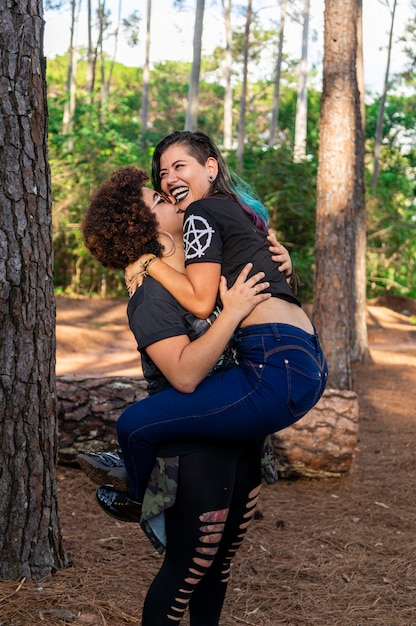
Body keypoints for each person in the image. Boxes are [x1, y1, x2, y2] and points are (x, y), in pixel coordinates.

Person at [81, 165, 292, 625]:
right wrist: (231, 314)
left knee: (219, 568)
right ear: (143, 230)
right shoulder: (151, 296)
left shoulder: (203, 270)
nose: (170, 198)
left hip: (242, 431)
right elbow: (183, 375)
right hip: (194, 450)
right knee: (187, 570)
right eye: (157, 201)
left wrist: (282, 262)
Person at [118, 131, 328, 510]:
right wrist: (288, 266)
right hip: (307, 355)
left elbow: (200, 303)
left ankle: (139, 501)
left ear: (210, 167)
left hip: (273, 361)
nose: (168, 180)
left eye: (179, 166)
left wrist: (148, 263)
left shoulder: (201, 212)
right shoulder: (237, 209)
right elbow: (270, 279)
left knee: (133, 426)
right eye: (162, 174)